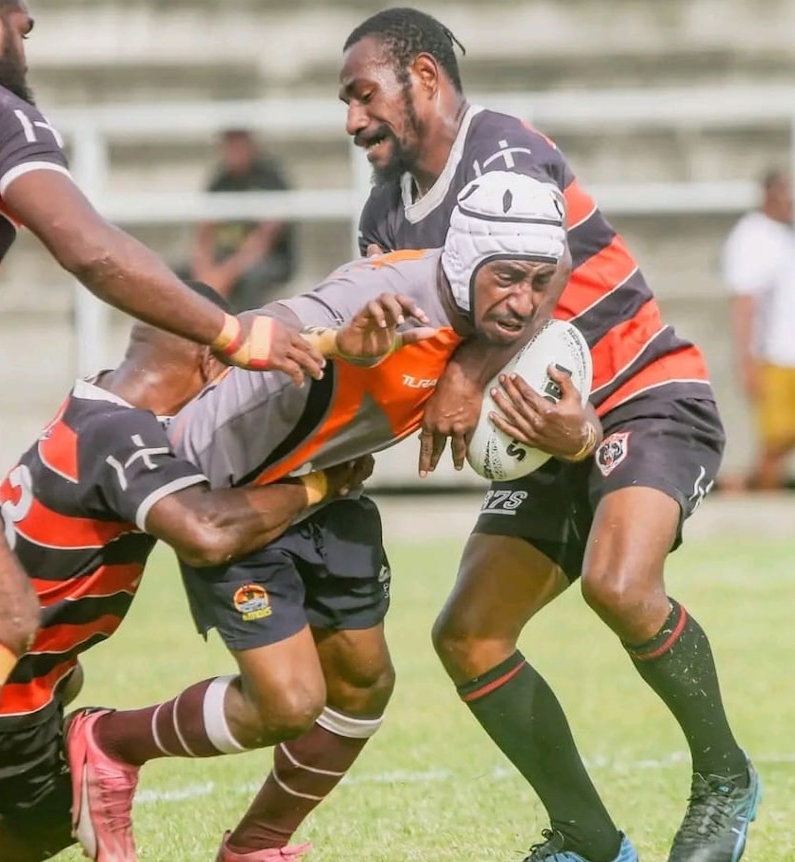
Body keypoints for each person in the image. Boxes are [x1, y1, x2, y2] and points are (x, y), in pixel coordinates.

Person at [62, 171, 594, 862]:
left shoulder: (498, 304)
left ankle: (256, 846)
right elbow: (273, 327)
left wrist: (526, 404)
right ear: (466, 262)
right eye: (507, 279)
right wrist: (340, 344)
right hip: (234, 484)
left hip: (331, 485)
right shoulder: (384, 299)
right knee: (287, 703)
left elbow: (559, 269)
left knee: (363, 686)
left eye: (537, 280)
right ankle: (107, 741)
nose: (524, 302)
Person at [338, 9, 759, 862]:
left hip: (644, 395)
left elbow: (550, 259)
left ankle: (726, 781)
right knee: (468, 635)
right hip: (540, 438)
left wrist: (466, 378)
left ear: (423, 77)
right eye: (345, 102)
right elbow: (402, 356)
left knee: (618, 583)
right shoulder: (384, 218)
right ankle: (589, 837)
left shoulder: (500, 148)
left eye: (363, 94)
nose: (352, 119)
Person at [0, 0, 323, 826]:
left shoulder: (91, 410)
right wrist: (236, 331)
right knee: (2, 617)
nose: (27, 40)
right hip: (15, 703)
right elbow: (93, 248)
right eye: (23, 25)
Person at [0, 282, 372, 862]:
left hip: (11, 685)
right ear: (213, 358)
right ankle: (106, 738)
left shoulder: (93, 401)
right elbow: (206, 533)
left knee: (59, 812)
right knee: (61, 809)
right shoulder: (124, 436)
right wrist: (319, 485)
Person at [721, 168, 795, 491]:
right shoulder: (752, 236)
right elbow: (745, 303)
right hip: (775, 355)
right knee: (778, 438)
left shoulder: (784, 234)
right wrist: (746, 358)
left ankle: (747, 485)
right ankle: (756, 495)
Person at [190, 128, 296, 311]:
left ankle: (244, 331)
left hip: (269, 260)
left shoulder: (270, 179)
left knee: (252, 277)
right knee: (180, 275)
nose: (234, 151)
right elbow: (204, 233)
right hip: (226, 258)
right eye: (230, 145)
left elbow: (264, 240)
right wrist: (203, 270)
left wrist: (224, 275)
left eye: (239, 144)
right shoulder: (220, 180)